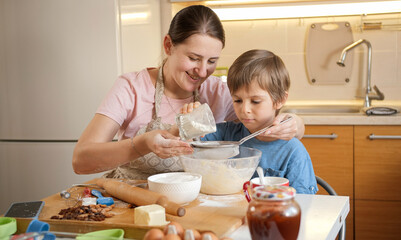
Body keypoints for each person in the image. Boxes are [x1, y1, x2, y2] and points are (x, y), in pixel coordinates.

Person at [72, 5, 305, 180]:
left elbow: (260, 131)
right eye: (193, 58)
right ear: (168, 46)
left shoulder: (219, 92)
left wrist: (294, 123)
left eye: (212, 61)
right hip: (133, 199)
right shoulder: (131, 87)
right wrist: (142, 144)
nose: (202, 71)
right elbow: (81, 161)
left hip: (194, 203)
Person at [184, 49, 317, 194]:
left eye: (255, 101)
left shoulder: (293, 152)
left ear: (279, 100)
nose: (245, 109)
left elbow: (303, 202)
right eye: (237, 100)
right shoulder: (226, 134)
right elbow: (190, 144)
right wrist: (191, 118)